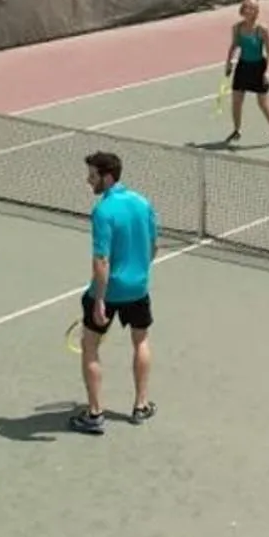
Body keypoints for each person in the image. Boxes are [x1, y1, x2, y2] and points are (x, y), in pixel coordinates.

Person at [73, 151, 158, 435]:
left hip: (108, 292)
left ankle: (95, 414)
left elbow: (102, 260)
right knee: (141, 341)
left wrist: (99, 298)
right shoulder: (143, 203)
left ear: (107, 177)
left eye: (93, 175)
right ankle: (141, 406)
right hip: (138, 289)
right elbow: (153, 247)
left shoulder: (103, 211)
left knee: (90, 346)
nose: (88, 180)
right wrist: (138, 273)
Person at [223, 0, 269, 147]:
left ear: (257, 11)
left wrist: (267, 72)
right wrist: (229, 63)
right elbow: (234, 46)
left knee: (263, 104)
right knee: (236, 101)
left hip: (258, 68)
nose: (249, 10)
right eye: (247, 7)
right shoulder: (237, 28)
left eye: (252, 8)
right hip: (243, 67)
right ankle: (237, 130)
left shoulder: (262, 29)